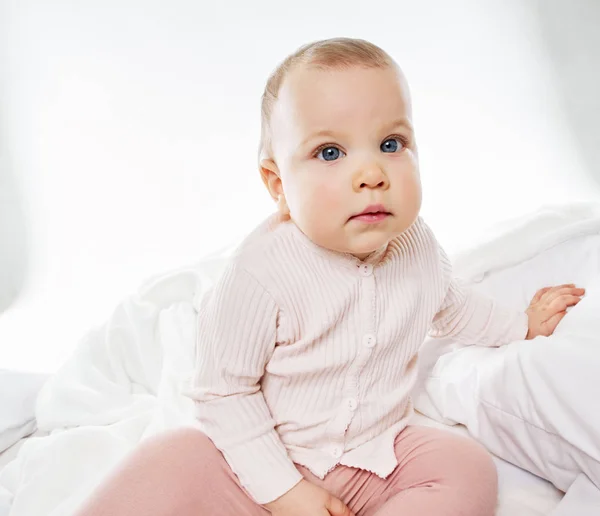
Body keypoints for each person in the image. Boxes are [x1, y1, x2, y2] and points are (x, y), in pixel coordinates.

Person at [75, 37, 584, 516]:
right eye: (330, 153)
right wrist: (285, 493)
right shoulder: (259, 274)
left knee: (465, 467)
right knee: (172, 456)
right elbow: (223, 394)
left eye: (390, 143)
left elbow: (451, 305)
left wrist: (521, 327)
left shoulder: (417, 246)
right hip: (254, 457)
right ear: (278, 184)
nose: (372, 173)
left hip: (372, 450)